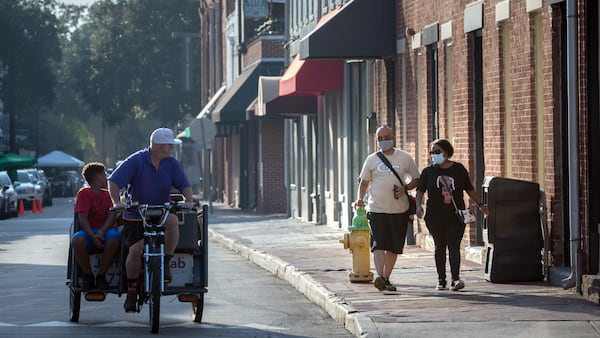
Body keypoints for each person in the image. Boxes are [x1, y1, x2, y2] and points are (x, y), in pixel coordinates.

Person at [108, 127, 194, 313]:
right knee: (135, 250)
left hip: (162, 211)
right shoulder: (136, 160)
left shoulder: (172, 164)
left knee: (172, 221)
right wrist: (116, 202)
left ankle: (166, 262)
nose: (171, 149)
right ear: (160, 146)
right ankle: (132, 291)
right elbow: (113, 181)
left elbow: (184, 185)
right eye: (169, 146)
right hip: (136, 215)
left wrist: (188, 201)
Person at [415, 139, 489, 291]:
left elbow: (469, 189)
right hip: (434, 216)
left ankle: (455, 279)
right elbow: (420, 190)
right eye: (432, 152)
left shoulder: (458, 169)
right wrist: (418, 207)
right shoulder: (428, 172)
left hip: (455, 215)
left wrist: (480, 205)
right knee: (439, 246)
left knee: (454, 246)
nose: (434, 155)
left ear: (446, 152)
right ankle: (441, 279)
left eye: (437, 152)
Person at [354, 125, 420, 292]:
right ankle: (381, 277)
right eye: (380, 138)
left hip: (399, 210)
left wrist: (405, 188)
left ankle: (385, 277)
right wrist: (360, 199)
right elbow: (364, 183)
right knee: (378, 244)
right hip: (376, 209)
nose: (384, 141)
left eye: (386, 137)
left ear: (393, 137)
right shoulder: (372, 159)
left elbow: (417, 179)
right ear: (377, 141)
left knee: (393, 246)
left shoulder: (404, 157)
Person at [71, 162, 119, 291]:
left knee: (114, 239)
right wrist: (92, 237)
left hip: (106, 229)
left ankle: (102, 275)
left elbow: (111, 216)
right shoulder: (84, 193)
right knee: (77, 240)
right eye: (104, 175)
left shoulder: (108, 194)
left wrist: (102, 232)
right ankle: (88, 274)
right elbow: (82, 218)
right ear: (97, 177)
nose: (106, 178)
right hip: (88, 230)